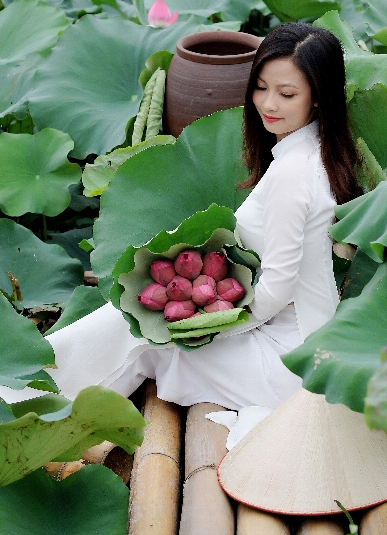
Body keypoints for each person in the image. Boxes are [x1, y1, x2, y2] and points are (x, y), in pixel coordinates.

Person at [0, 22, 361, 410]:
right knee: (130, 322)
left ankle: (31, 403)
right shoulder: (318, 150)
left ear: (319, 96)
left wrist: (197, 325)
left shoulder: (294, 172)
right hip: (302, 338)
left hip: (290, 361)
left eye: (286, 94)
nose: (268, 104)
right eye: (260, 87)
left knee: (141, 336)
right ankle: (31, 395)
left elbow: (276, 289)